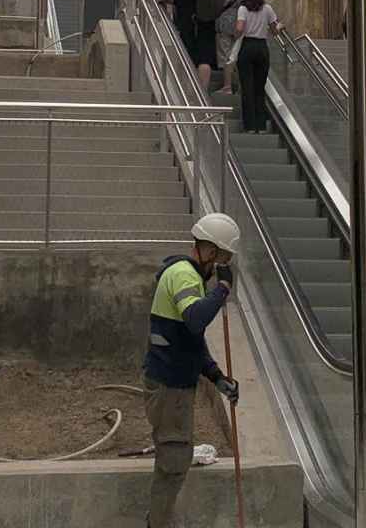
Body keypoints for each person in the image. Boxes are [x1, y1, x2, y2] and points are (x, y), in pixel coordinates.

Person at [145, 213, 241, 528]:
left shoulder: (191, 278)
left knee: (176, 457)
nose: (222, 265)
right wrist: (223, 289)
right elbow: (196, 319)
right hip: (169, 387)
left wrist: (216, 377)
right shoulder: (184, 276)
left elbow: (191, 342)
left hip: (176, 385)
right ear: (211, 251)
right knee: (173, 460)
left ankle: (160, 521)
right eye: (223, 257)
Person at [233, 0, 282, 133]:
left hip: (247, 47)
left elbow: (240, 28)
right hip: (262, 48)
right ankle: (261, 126)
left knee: (247, 88)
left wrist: (235, 34)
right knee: (259, 88)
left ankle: (250, 126)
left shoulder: (243, 9)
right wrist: (280, 27)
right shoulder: (267, 8)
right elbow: (275, 31)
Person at [163, 0, 215, 91]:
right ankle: (203, 93)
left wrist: (175, 1)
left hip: (186, 24)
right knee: (204, 60)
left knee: (186, 57)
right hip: (206, 25)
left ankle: (187, 91)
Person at [211, 0, 243, 94]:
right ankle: (239, 85)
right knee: (235, 54)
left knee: (225, 54)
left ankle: (227, 86)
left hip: (224, 21)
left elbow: (218, 3)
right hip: (237, 20)